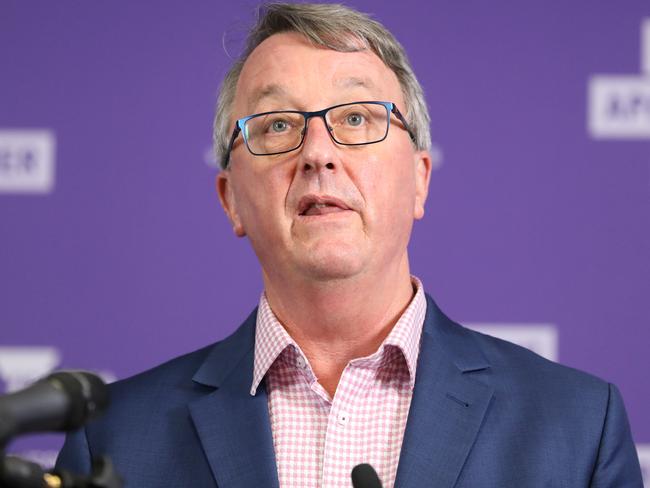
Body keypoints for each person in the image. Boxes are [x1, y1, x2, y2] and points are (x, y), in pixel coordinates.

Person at [56, 3, 643, 487]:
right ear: (230, 197)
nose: (317, 153)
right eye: (278, 124)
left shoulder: (576, 428)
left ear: (419, 178)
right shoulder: (112, 440)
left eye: (358, 118)